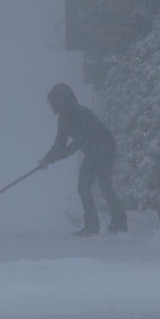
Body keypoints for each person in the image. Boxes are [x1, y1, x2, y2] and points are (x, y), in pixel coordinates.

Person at [39, 83, 128, 236]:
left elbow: (78, 142)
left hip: (103, 148)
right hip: (95, 150)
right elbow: (60, 141)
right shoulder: (64, 117)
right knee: (99, 186)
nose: (53, 104)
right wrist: (47, 158)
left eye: (54, 100)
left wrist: (56, 158)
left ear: (62, 99)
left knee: (86, 186)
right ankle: (117, 222)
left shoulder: (80, 113)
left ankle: (98, 225)